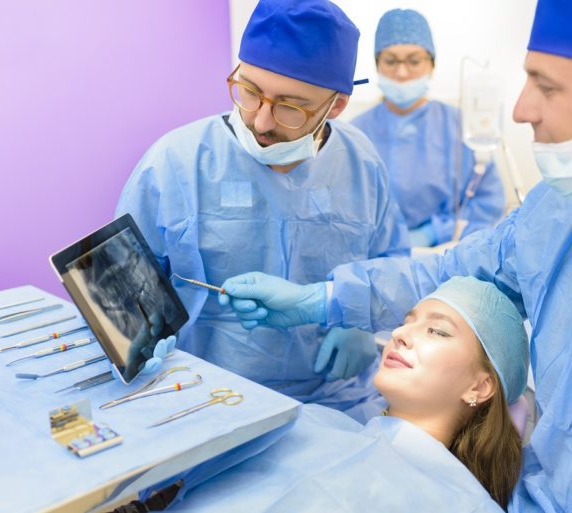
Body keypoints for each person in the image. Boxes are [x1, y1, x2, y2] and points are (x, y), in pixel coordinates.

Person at [219, 0, 572, 511]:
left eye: (545, 86)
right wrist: (326, 298)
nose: (522, 110)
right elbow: (451, 271)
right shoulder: (563, 208)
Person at [115, 0, 410, 421]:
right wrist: (134, 338)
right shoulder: (176, 162)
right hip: (209, 401)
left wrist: (361, 324)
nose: (262, 121)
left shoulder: (361, 163)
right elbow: (123, 286)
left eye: (290, 107)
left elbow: (392, 263)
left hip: (339, 404)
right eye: (249, 92)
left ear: (336, 106)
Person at [138, 276, 526, 512]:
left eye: (437, 331)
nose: (400, 334)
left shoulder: (465, 504)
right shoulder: (312, 422)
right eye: (407, 322)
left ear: (480, 386)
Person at [351, 9, 505, 248]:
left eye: (414, 61)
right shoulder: (355, 132)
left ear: (432, 65)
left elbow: (488, 200)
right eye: (390, 61)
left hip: (445, 252)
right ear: (377, 65)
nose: (402, 72)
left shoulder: (460, 126)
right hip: (374, 252)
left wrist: (434, 233)